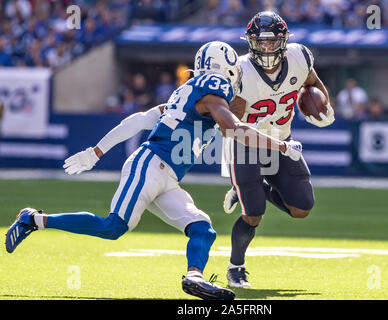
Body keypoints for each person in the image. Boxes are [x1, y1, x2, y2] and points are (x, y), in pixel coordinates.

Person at [5, 41, 303, 300]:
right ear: (225, 68)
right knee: (114, 227)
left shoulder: (187, 93)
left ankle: (195, 277)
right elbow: (233, 127)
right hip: (150, 164)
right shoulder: (214, 88)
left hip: (168, 176)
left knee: (202, 228)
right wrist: (282, 146)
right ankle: (34, 219)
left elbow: (140, 120)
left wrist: (97, 151)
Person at [221, 11, 334, 288]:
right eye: (262, 42)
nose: (268, 48)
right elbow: (232, 126)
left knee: (302, 208)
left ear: (284, 41)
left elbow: (313, 85)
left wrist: (324, 106)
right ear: (251, 42)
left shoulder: (299, 58)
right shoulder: (241, 71)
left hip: (283, 140)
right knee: (253, 214)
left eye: (273, 42)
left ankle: (256, 188)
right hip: (246, 146)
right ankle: (236, 268)